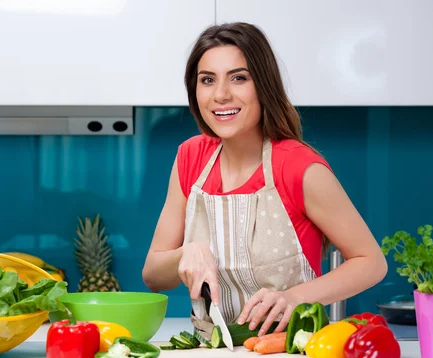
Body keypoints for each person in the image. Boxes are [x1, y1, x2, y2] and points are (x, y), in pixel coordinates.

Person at [142, 22, 387, 338]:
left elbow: (371, 262)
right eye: (207, 80)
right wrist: (186, 254)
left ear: (264, 86)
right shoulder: (190, 158)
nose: (221, 94)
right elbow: (153, 275)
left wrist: (293, 298)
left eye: (239, 78)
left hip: (294, 356)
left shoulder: (299, 167)